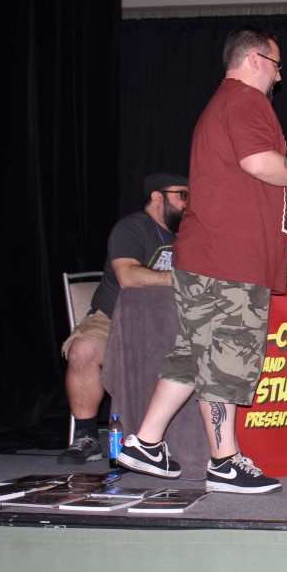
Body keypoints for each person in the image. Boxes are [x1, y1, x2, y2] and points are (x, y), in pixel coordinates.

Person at [117, 25, 287, 493]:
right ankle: (224, 461)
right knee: (226, 355)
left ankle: (146, 442)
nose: (279, 76)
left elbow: (246, 182)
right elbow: (259, 163)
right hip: (228, 259)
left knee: (194, 354)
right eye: (276, 65)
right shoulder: (245, 100)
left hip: (209, 254)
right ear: (255, 60)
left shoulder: (225, 103)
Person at [58, 172, 189, 464]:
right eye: (182, 195)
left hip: (167, 322)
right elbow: (127, 276)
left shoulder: (190, 233)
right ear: (157, 197)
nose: (188, 203)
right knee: (82, 351)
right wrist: (179, 278)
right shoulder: (132, 227)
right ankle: (86, 435)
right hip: (113, 317)